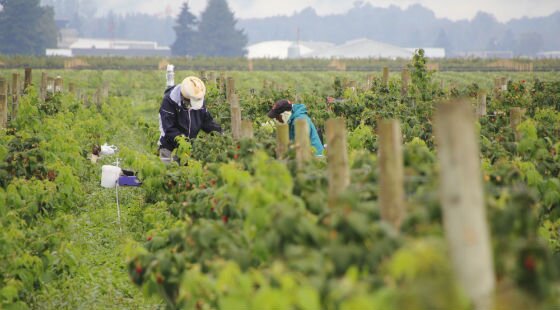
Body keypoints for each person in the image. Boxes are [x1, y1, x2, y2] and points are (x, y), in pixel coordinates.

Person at [158, 66, 222, 163]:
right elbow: (168, 128)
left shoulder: (197, 97)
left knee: (186, 174)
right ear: (184, 97)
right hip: (169, 147)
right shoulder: (169, 102)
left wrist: (220, 133)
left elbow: (207, 121)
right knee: (168, 172)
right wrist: (184, 142)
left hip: (188, 149)